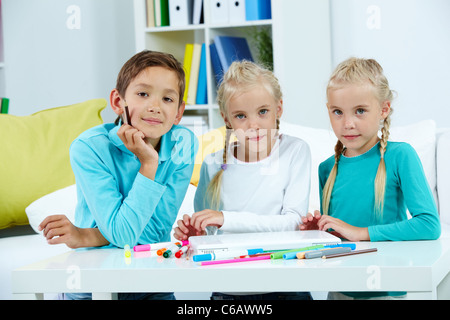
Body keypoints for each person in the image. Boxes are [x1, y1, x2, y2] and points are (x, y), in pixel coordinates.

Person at [38, 50, 198, 300]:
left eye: (167, 99)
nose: (155, 107)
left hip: (151, 281)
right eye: (143, 94)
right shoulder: (89, 147)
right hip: (94, 284)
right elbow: (125, 237)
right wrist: (148, 164)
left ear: (179, 112)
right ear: (117, 102)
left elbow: (155, 232)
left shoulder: (183, 143)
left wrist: (86, 235)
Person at [301, 57, 441, 299]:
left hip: (384, 287)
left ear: (383, 109)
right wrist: (320, 231)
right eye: (338, 112)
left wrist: (361, 232)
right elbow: (340, 240)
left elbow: (429, 224)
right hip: (339, 288)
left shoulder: (400, 156)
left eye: (360, 111)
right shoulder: (327, 168)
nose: (348, 123)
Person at [174, 60, 312, 300]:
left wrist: (225, 219)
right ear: (227, 119)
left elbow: (293, 222)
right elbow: (209, 234)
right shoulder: (213, 163)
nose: (253, 125)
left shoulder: (295, 151)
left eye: (262, 111)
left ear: (278, 108)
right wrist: (195, 236)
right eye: (240, 116)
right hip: (229, 291)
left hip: (286, 288)